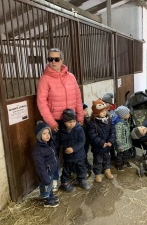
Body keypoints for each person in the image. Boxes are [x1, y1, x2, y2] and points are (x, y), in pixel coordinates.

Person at [37, 48, 84, 190]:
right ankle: (55, 180)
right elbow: (41, 102)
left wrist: (80, 116)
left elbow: (77, 97)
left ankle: (72, 175)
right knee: (54, 152)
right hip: (56, 122)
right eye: (50, 59)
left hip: (71, 121)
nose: (53, 62)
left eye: (56, 59)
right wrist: (50, 122)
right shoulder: (45, 79)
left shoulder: (71, 77)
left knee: (74, 148)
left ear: (62, 60)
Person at [60, 109, 90, 191]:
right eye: (69, 122)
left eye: (73, 121)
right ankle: (64, 182)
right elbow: (61, 140)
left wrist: (73, 149)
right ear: (64, 122)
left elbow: (82, 141)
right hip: (68, 155)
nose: (72, 124)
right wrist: (66, 149)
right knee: (66, 169)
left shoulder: (79, 129)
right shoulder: (62, 130)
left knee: (81, 168)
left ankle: (82, 180)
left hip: (79, 155)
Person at [32, 121, 60, 207]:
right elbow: (40, 166)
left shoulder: (49, 144)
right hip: (46, 173)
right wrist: (44, 177)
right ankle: (47, 200)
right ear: (39, 136)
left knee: (49, 185)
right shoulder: (38, 150)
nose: (48, 135)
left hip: (51, 171)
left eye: (48, 133)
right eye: (44, 133)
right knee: (46, 186)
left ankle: (50, 196)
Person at [88, 98, 115, 183]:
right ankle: (98, 174)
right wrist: (101, 142)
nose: (105, 112)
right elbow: (93, 135)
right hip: (98, 147)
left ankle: (107, 170)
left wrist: (110, 141)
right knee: (98, 160)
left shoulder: (108, 120)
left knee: (107, 158)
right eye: (102, 111)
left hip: (107, 145)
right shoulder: (92, 123)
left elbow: (112, 131)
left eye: (105, 111)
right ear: (96, 113)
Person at [111, 106, 133, 171]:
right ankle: (119, 164)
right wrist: (119, 144)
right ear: (123, 115)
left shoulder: (125, 121)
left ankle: (125, 161)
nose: (129, 114)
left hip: (126, 142)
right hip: (121, 143)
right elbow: (118, 136)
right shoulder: (118, 124)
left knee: (126, 153)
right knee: (120, 154)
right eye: (128, 113)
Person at [102, 93, 117, 161]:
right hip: (103, 130)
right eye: (103, 102)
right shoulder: (101, 109)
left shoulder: (113, 111)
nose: (103, 103)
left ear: (110, 104)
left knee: (111, 144)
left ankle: (113, 156)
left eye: (105, 102)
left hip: (111, 129)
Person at [82, 103, 93, 176]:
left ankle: (86, 163)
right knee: (83, 153)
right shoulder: (80, 122)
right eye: (85, 110)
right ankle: (84, 166)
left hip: (86, 140)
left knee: (85, 152)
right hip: (83, 141)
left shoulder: (86, 119)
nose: (87, 111)